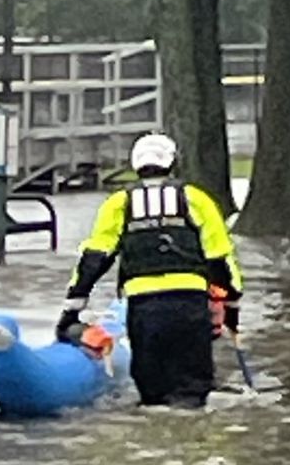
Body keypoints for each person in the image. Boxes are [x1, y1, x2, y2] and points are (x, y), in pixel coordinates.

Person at [55, 132, 244, 408]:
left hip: (144, 310)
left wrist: (71, 310)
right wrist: (232, 310)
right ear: (172, 163)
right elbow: (221, 259)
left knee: (152, 394)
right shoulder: (196, 199)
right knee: (191, 394)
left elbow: (94, 259)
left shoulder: (118, 204)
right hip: (189, 308)